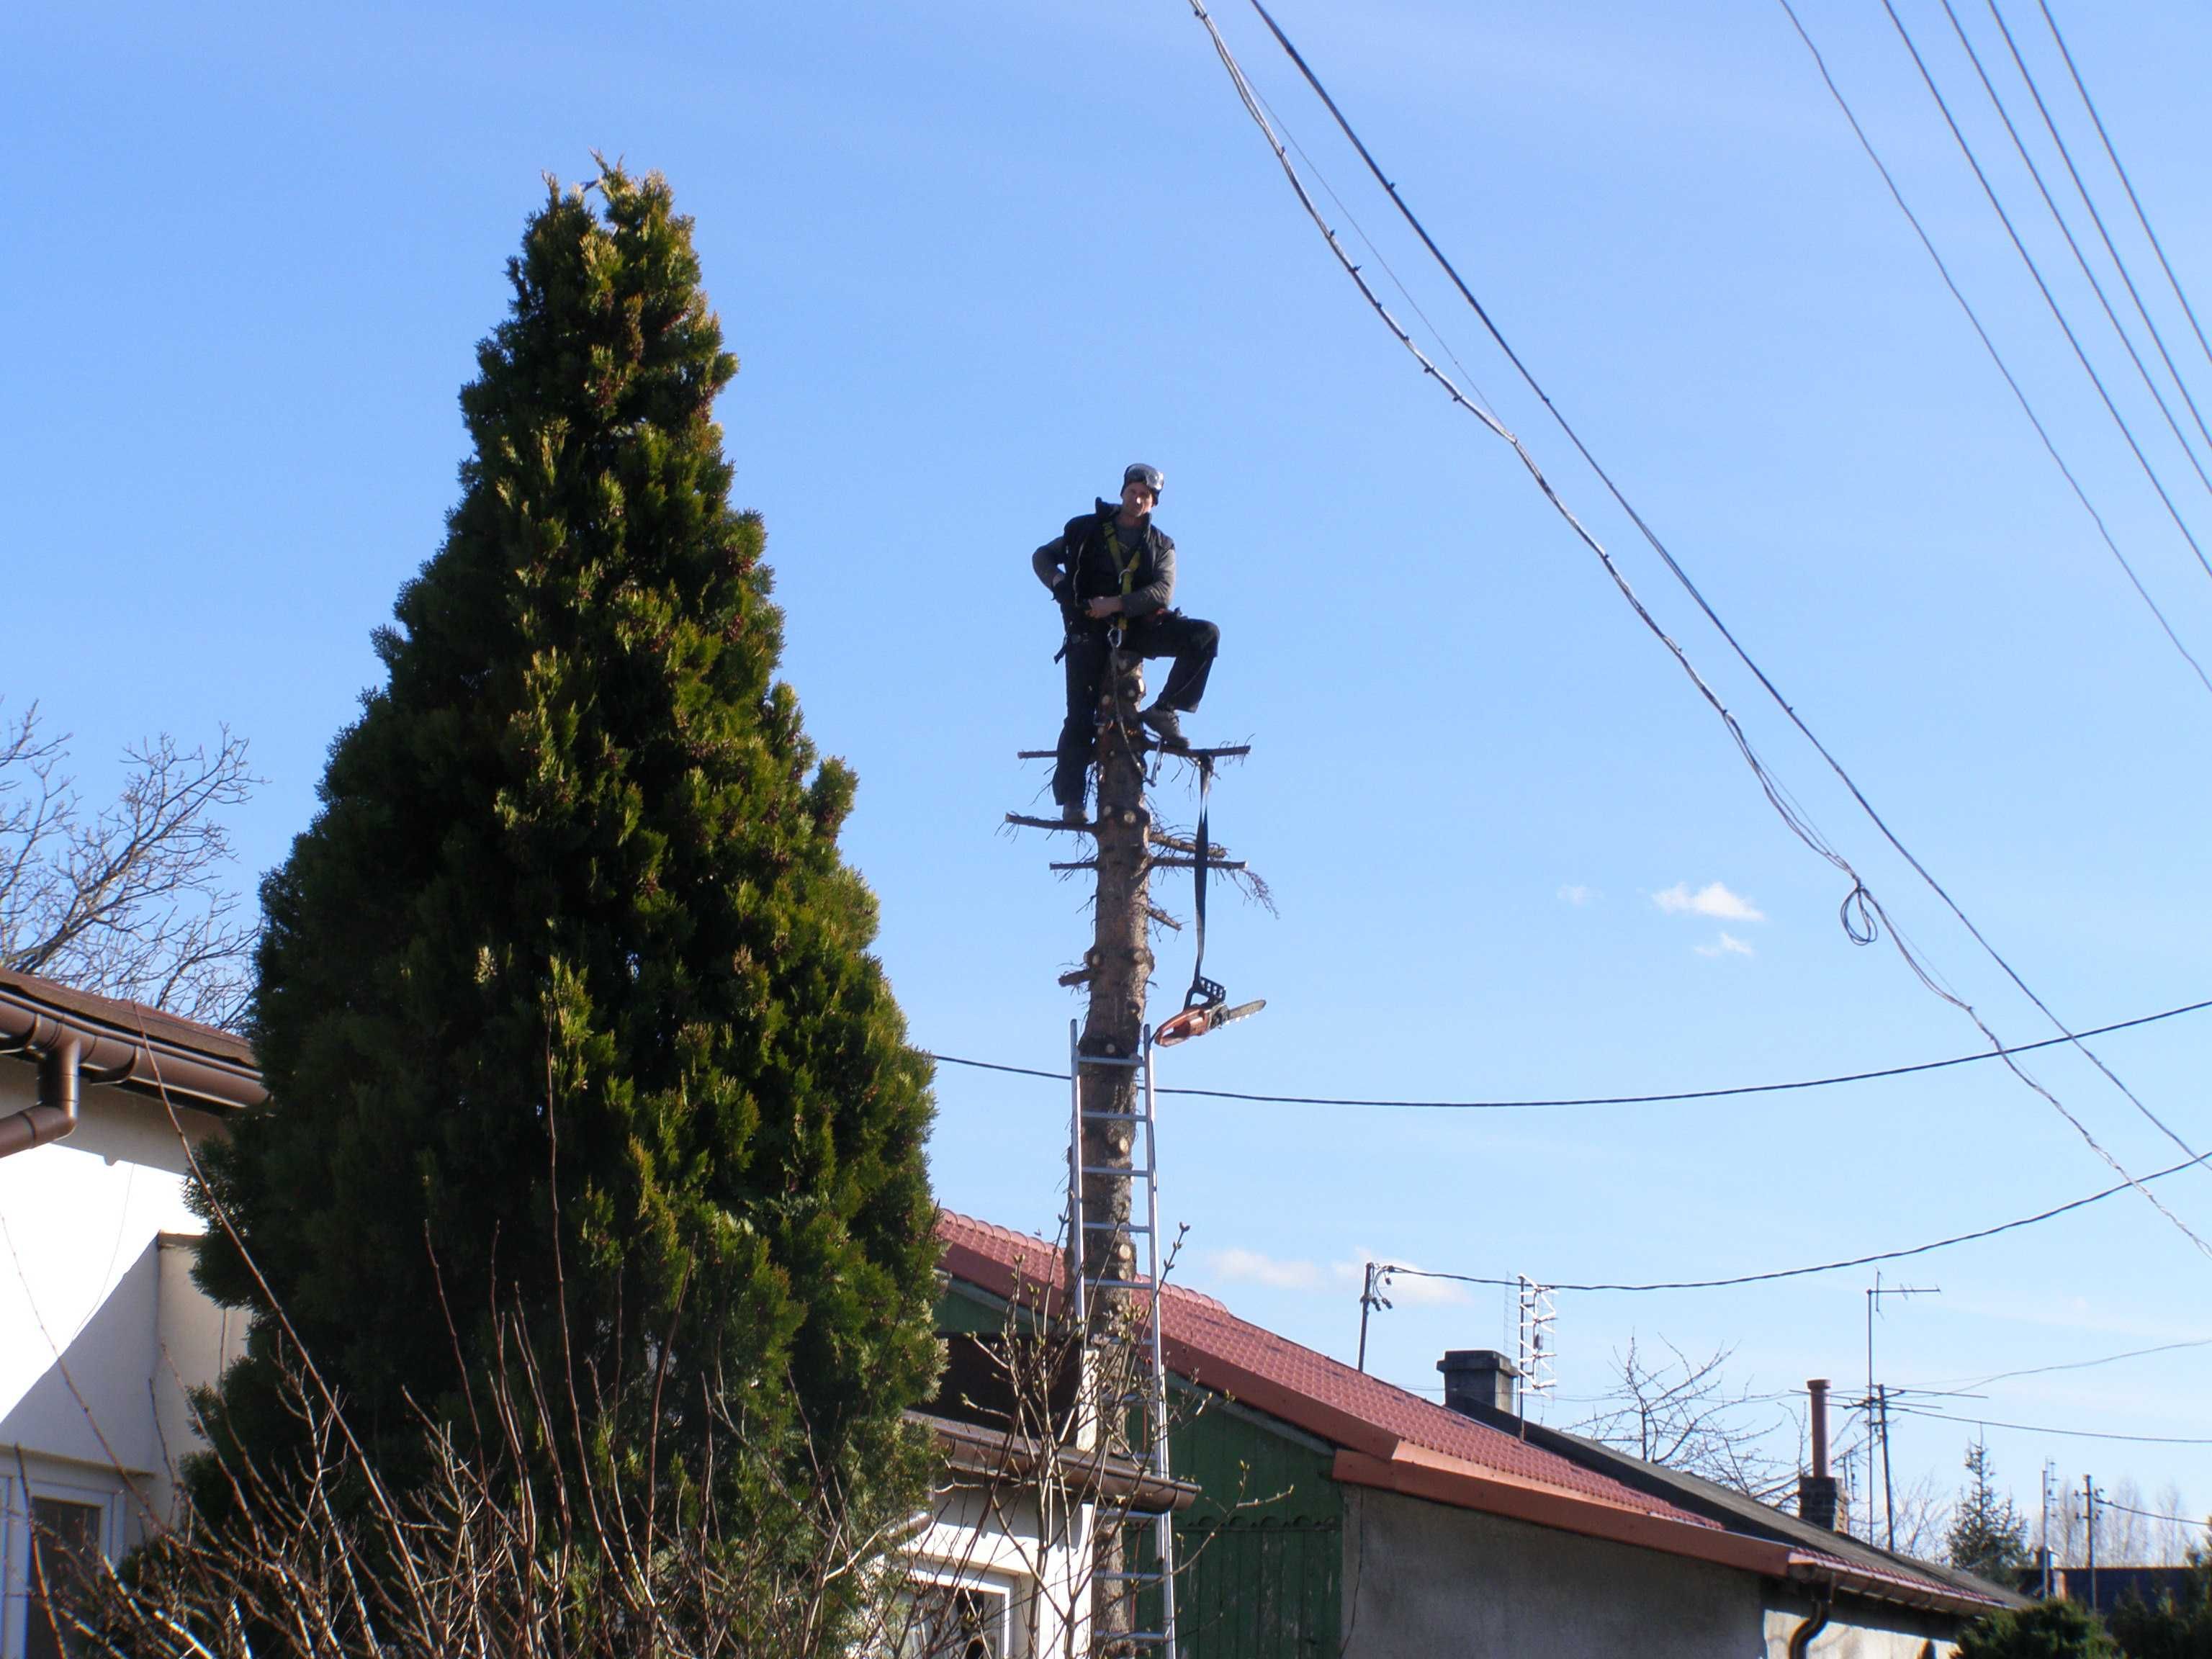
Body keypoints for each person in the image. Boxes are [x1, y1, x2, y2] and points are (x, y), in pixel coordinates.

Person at [1032, 463, 1220, 822]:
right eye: (1133, 492)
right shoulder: (1085, 530)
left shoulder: (1160, 544)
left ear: (1153, 503)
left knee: (1205, 635)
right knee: (1080, 716)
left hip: (1137, 628)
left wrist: (1116, 605)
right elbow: (1041, 556)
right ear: (1122, 493)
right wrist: (1058, 583)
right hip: (1087, 631)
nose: (1138, 499)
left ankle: (1165, 709)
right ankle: (1072, 801)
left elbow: (1162, 590)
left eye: (1146, 496)